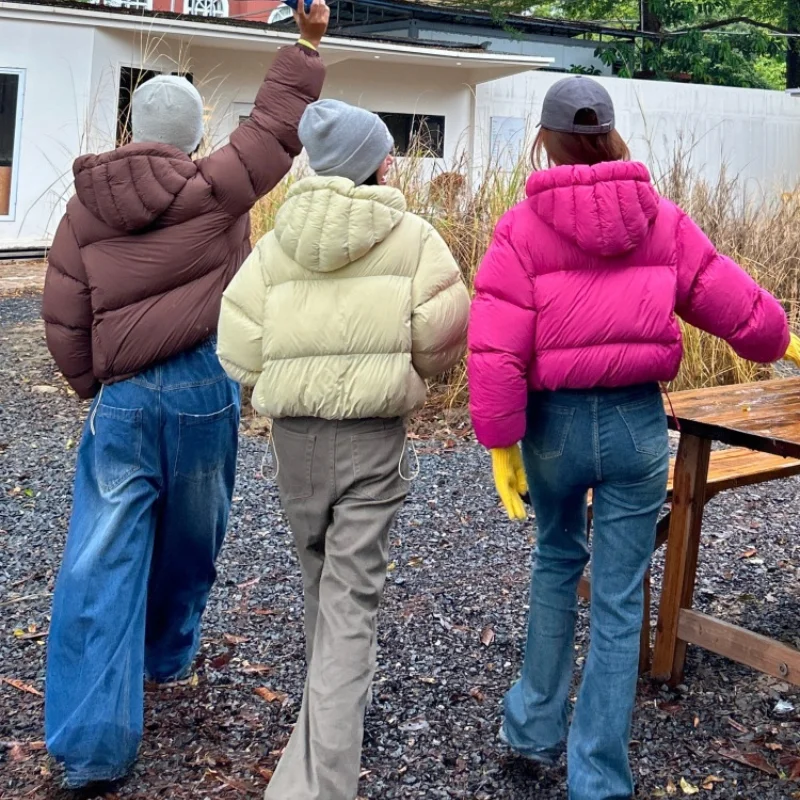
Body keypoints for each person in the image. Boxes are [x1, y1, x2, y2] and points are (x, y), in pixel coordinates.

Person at [467, 76, 791, 800]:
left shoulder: (520, 228)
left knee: (556, 561)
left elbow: (494, 346)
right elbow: (734, 302)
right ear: (610, 134)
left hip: (553, 427)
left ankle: (531, 730)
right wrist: (781, 337)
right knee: (619, 597)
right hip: (637, 424)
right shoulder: (661, 218)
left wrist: (501, 440)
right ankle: (599, 777)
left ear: (547, 140)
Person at [40, 2, 329, 790]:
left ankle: (93, 746)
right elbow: (275, 128)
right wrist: (305, 43)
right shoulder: (214, 189)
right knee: (194, 535)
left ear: (132, 127)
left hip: (125, 396)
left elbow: (63, 314)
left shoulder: (81, 209)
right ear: (193, 135)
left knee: (101, 551)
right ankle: (165, 656)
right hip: (205, 385)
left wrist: (91, 384)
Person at [217, 99, 470, 800]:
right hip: (371, 438)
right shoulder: (412, 237)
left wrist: (286, 379)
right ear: (374, 163)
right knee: (352, 597)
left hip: (295, 440)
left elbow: (237, 346)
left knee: (317, 579)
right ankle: (319, 781)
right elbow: (445, 335)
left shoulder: (274, 243)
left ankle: (326, 717)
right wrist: (402, 375)